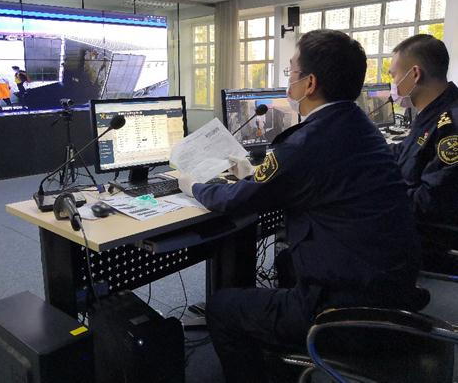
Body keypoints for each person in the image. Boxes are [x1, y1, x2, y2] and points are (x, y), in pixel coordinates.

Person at [178, 30, 423, 383]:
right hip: (391, 296)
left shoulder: (305, 142)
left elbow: (235, 200)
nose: (288, 80)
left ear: (309, 83)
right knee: (284, 263)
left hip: (343, 313)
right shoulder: (361, 127)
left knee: (221, 307)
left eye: (291, 72)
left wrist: (194, 185)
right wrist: (262, 175)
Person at [388, 34, 458, 273]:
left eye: (393, 75)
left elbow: (430, 204)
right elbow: (407, 152)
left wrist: (375, 193)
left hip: (429, 240)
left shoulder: (450, 125)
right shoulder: (432, 114)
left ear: (415, 74)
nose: (393, 84)